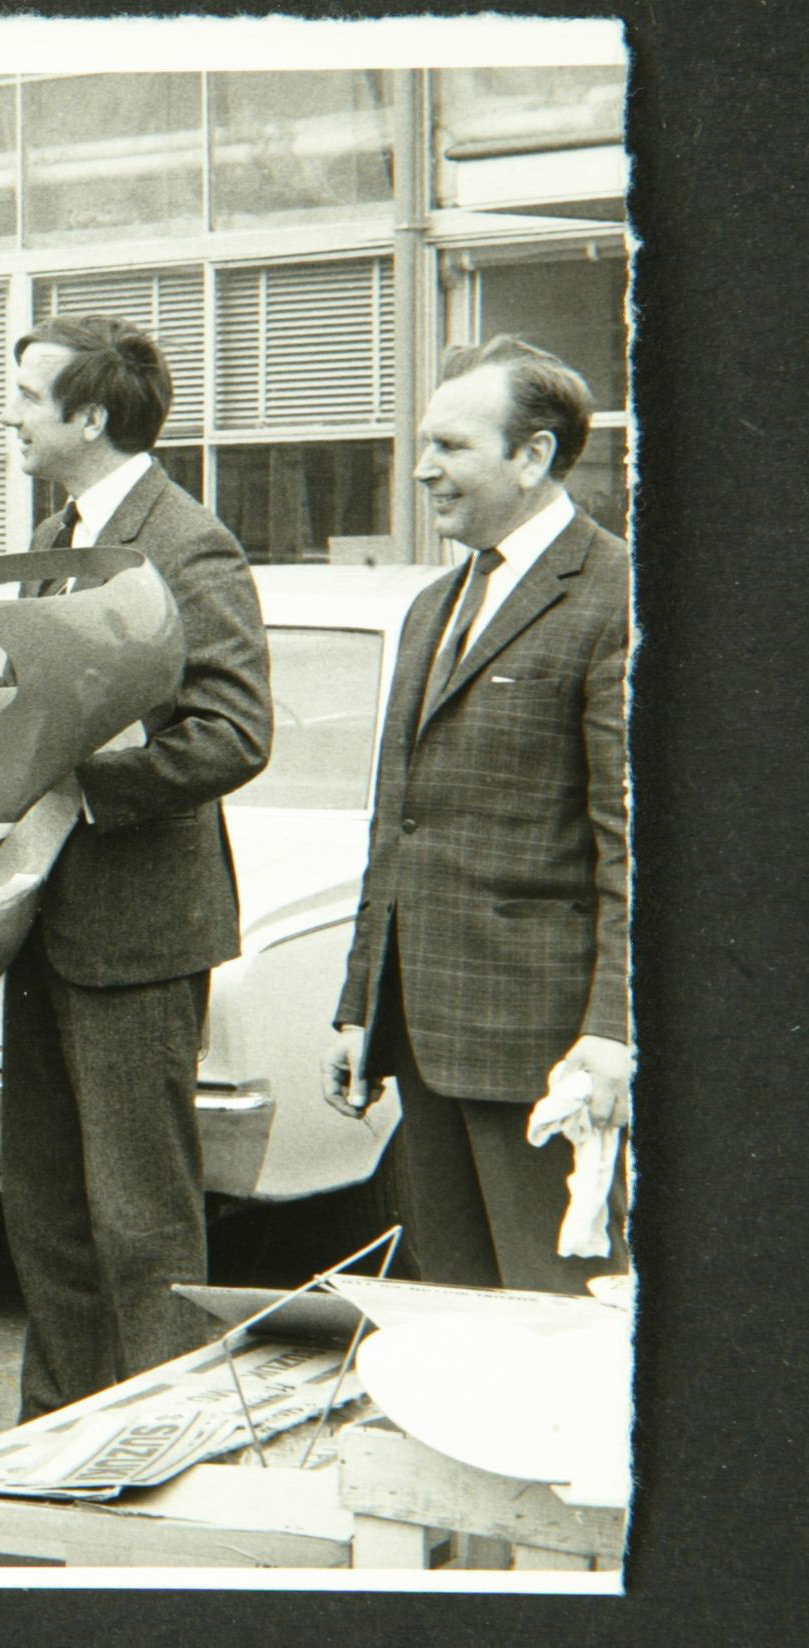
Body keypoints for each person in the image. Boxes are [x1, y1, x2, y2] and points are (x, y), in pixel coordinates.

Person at [0, 316, 270, 1420]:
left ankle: (162, 1441)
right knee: (49, 1216)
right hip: (43, 929)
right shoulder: (56, 537)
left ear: (91, 416)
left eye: (27, 396)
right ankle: (58, 1440)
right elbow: (17, 712)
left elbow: (233, 732)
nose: (9, 414)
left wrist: (85, 786)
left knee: (140, 1222)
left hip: (138, 936)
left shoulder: (189, 547)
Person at [323, 335, 631, 1293]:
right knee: (454, 1312)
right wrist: (360, 1007)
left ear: (533, 456)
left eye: (450, 446)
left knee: (554, 1316)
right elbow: (398, 824)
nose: (422, 469)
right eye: (425, 443)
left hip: (547, 1052)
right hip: (425, 1042)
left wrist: (614, 1031)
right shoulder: (433, 604)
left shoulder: (619, 597)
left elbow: (636, 844)